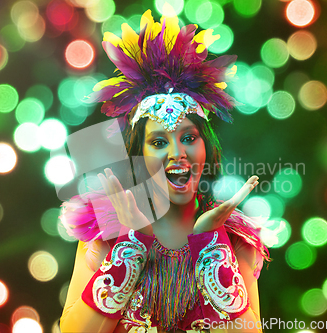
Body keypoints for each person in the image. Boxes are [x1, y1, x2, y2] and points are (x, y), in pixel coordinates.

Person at [59, 8, 271, 333]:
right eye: (159, 142)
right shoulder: (103, 230)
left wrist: (209, 241)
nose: (177, 153)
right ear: (138, 156)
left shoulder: (235, 239)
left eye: (188, 138)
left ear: (206, 148)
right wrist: (133, 241)